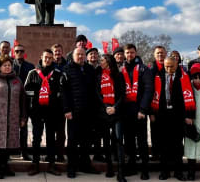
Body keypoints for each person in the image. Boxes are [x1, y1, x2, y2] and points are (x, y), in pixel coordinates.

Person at [151, 56, 194, 181]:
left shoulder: (184, 77)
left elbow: (189, 95)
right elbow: (153, 95)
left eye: (171, 66)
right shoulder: (158, 77)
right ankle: (164, 171)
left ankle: (178, 172)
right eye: (166, 66)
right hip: (162, 116)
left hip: (177, 116)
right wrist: (152, 113)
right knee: (163, 145)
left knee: (177, 145)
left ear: (177, 65)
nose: (169, 69)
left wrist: (189, 115)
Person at [61, 48, 101, 178]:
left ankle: (85, 165)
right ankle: (71, 167)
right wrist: (66, 109)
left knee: (86, 140)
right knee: (72, 141)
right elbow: (64, 92)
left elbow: (94, 90)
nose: (80, 56)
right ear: (73, 56)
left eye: (83, 54)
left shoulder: (90, 69)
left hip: (88, 111)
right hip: (73, 112)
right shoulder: (67, 69)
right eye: (78, 54)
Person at [24, 49, 62, 176]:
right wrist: (31, 108)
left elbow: (61, 93)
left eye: (50, 58)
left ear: (52, 59)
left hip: (52, 112)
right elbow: (26, 93)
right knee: (36, 138)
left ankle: (52, 164)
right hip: (37, 112)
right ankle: (35, 164)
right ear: (41, 57)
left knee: (51, 138)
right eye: (46, 57)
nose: (48, 60)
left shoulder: (58, 73)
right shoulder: (33, 73)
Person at [121, 44, 153, 180]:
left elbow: (148, 89)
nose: (129, 55)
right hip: (126, 111)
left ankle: (145, 169)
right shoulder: (121, 69)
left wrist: (143, 109)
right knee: (128, 141)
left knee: (142, 141)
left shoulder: (143, 69)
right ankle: (132, 166)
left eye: (132, 52)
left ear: (136, 53)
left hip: (139, 110)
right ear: (124, 54)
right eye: (127, 53)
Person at [96, 54, 126, 182]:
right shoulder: (98, 76)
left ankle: (120, 172)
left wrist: (115, 107)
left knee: (119, 140)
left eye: (102, 60)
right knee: (106, 141)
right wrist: (105, 107)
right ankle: (109, 167)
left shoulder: (118, 75)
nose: (100, 62)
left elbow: (122, 94)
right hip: (104, 112)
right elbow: (97, 94)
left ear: (108, 62)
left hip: (117, 112)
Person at [12, 44, 35, 161]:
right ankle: (12, 150)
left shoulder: (30, 66)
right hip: (13, 101)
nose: (19, 53)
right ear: (14, 52)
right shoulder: (9, 65)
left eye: (21, 51)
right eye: (17, 51)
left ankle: (24, 151)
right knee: (11, 127)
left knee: (24, 127)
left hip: (26, 101)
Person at [149, 46, 167, 162]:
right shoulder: (150, 71)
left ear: (165, 54)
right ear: (154, 56)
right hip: (155, 108)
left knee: (166, 133)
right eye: (158, 53)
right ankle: (155, 154)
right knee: (155, 132)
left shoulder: (170, 68)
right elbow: (148, 91)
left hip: (168, 107)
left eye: (162, 53)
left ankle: (166, 155)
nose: (160, 55)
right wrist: (150, 112)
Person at [51, 43, 67, 162]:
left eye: (59, 51)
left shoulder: (67, 66)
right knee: (50, 131)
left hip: (62, 103)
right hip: (51, 104)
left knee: (61, 132)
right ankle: (51, 154)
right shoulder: (48, 65)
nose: (57, 53)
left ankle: (60, 154)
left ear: (62, 52)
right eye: (55, 52)